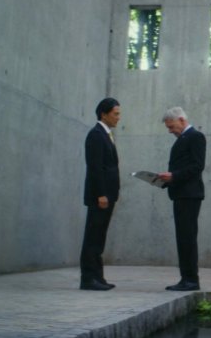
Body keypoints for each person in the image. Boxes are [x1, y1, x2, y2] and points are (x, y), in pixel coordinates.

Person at [157, 107, 206, 291]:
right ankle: (186, 278)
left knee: (187, 238)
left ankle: (191, 280)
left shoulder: (195, 137)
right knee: (183, 237)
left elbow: (197, 166)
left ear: (181, 120)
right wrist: (167, 180)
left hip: (189, 195)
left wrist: (174, 177)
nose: (170, 131)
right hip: (181, 194)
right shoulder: (183, 139)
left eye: (171, 126)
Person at [80, 97, 121, 291]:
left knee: (99, 237)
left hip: (108, 195)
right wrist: (101, 194)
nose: (118, 118)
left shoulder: (106, 134)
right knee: (93, 237)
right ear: (103, 114)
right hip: (100, 197)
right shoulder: (96, 135)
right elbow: (95, 168)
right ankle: (88, 278)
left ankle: (98, 276)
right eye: (116, 114)